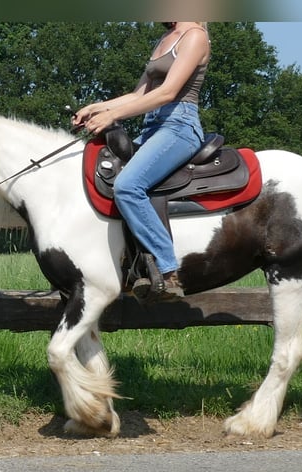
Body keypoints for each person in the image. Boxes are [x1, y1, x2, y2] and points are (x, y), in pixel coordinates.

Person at [72, 22, 211, 301]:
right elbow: (138, 95)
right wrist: (97, 107)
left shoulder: (195, 36)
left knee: (128, 185)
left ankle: (168, 269)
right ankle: (130, 265)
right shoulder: (165, 39)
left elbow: (167, 93)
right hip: (153, 127)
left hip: (179, 125)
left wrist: (113, 116)